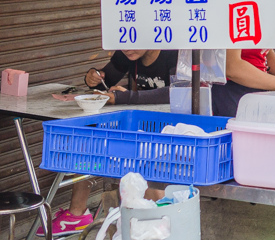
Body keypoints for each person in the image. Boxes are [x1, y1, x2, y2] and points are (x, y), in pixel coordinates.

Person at [39, 50, 177, 236]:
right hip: (136, 123)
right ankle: (77, 215)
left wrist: (125, 97)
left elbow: (177, 91)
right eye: (123, 42)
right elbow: (107, 76)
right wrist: (93, 77)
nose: (127, 47)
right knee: (89, 132)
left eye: (133, 42)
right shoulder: (128, 53)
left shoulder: (173, 53)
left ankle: (158, 226)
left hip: (170, 128)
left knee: (149, 169)